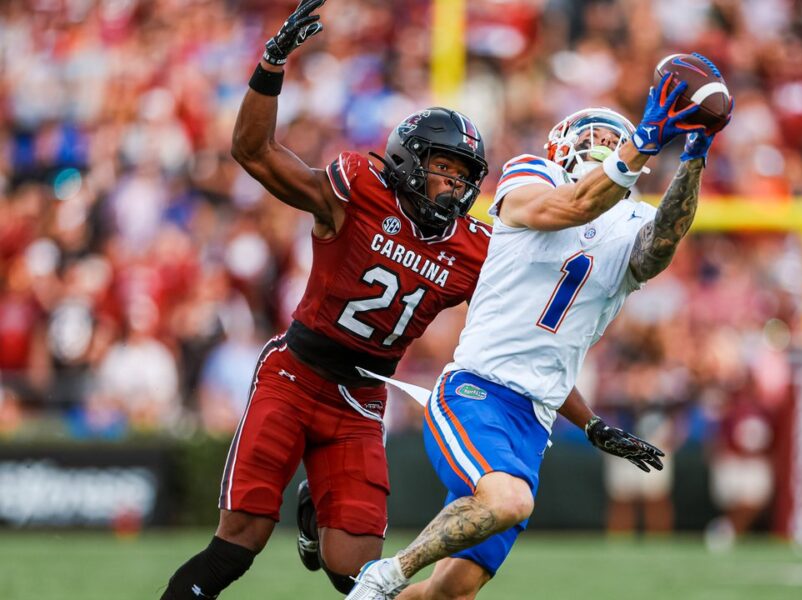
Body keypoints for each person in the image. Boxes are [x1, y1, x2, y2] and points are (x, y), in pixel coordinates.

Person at [159, 3, 660, 598]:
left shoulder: (475, 246)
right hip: (294, 374)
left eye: (464, 174)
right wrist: (271, 65)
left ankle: (315, 515)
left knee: (357, 577)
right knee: (237, 544)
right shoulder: (357, 192)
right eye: (443, 169)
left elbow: (522, 338)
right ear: (407, 160)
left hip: (362, 397)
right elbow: (254, 152)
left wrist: (591, 421)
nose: (455, 185)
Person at [345, 58, 730, 599]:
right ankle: (384, 575)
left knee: (448, 594)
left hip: (536, 420)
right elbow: (568, 206)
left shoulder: (632, 220)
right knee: (509, 501)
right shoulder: (533, 175)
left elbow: (659, 247)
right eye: (593, 135)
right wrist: (641, 138)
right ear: (564, 144)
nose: (601, 143)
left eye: (612, 138)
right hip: (476, 392)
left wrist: (693, 155)